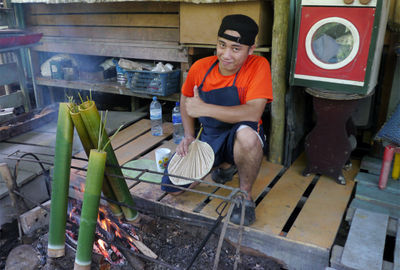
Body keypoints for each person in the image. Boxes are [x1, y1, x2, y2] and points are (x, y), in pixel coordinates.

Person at [161, 14, 273, 226]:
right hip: (210, 137)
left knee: (247, 137)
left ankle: (245, 196)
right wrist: (188, 136)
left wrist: (204, 108)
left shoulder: (259, 66)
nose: (226, 55)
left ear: (251, 49)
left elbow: (253, 113)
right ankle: (225, 163)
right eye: (222, 45)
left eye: (235, 48)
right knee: (172, 188)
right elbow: (186, 99)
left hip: (240, 135)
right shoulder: (201, 68)